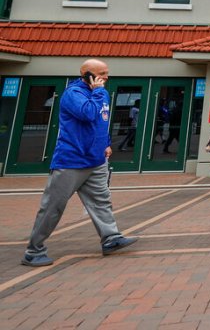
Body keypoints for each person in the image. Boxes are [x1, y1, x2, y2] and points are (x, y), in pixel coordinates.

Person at [21, 59, 138, 267]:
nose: (106, 77)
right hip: (71, 161)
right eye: (102, 73)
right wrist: (99, 92)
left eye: (107, 72)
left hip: (96, 160)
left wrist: (107, 143)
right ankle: (33, 250)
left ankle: (110, 238)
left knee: (101, 201)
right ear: (87, 75)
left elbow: (101, 120)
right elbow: (88, 114)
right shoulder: (73, 94)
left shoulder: (98, 93)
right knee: (53, 206)